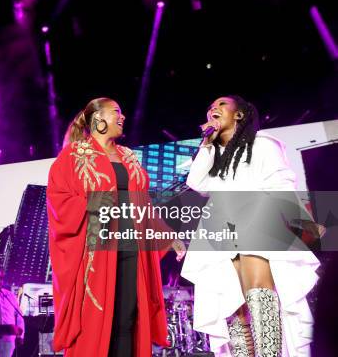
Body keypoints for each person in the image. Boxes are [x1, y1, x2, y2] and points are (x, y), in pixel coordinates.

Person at [181, 95, 323, 356]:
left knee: (259, 297)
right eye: (210, 106)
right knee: (233, 306)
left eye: (221, 104)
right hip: (219, 230)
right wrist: (207, 143)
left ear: (239, 115)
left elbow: (281, 184)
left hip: (255, 221)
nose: (213, 108)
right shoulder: (213, 153)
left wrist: (301, 221)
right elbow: (197, 182)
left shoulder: (262, 143)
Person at [46, 97, 185, 357]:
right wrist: (97, 200)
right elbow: (58, 200)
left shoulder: (128, 156)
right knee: (96, 322)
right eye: (116, 112)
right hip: (96, 251)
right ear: (98, 119)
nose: (122, 117)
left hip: (131, 245)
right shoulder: (73, 156)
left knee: (128, 319)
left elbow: (142, 204)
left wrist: (168, 237)